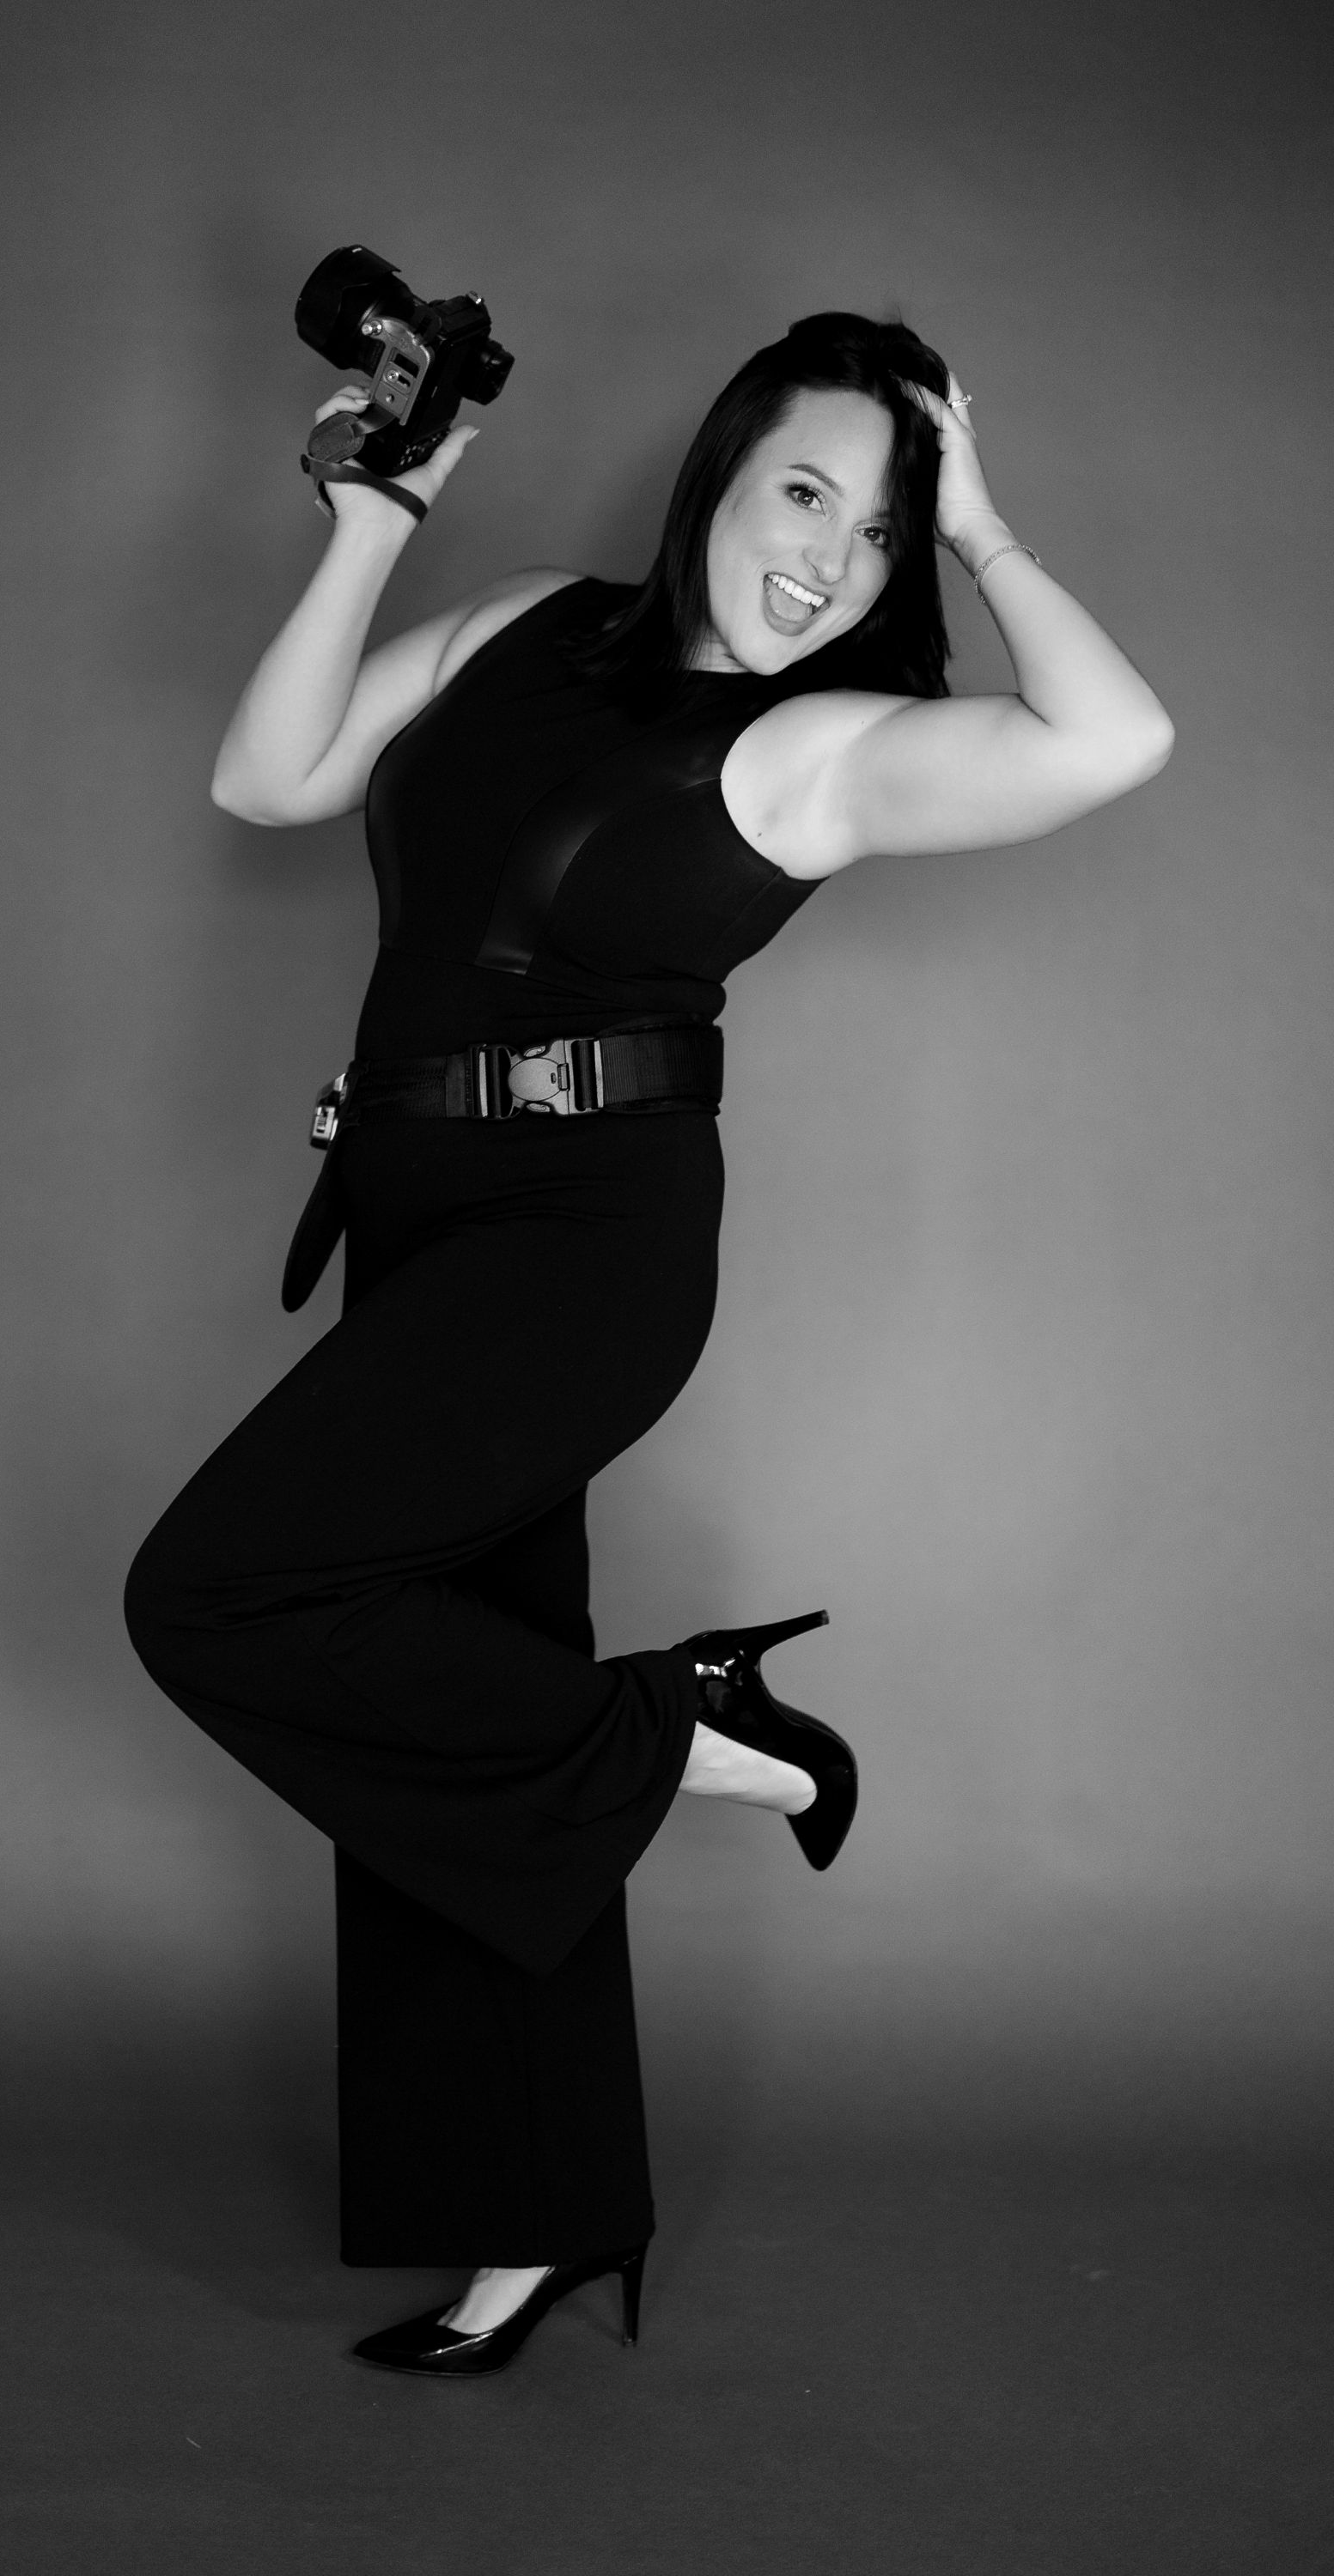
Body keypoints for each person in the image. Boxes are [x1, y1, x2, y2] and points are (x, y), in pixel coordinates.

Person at [123, 310, 1173, 2377]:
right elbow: (265, 779)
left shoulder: (825, 755)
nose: (826, 562)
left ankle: (699, 1737)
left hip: (578, 1255)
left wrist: (982, 526)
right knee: (444, 1723)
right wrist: (378, 521)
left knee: (221, 1597)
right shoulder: (527, 626)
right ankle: (533, 2223)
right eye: (806, 493)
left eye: (876, 539)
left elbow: (1112, 739)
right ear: (717, 473)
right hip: (413, 1227)